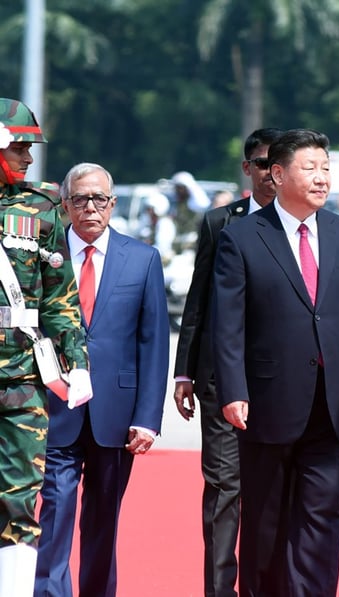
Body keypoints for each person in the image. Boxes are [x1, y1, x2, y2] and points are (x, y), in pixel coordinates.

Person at [212, 128, 339, 596]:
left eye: (326, 168)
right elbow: (227, 325)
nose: (321, 177)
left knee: (323, 516)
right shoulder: (243, 238)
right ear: (277, 173)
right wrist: (233, 389)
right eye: (309, 168)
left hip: (334, 404)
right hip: (267, 403)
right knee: (266, 521)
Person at [35, 163, 169, 597]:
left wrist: (148, 417)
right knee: (54, 511)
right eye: (80, 199)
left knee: (103, 519)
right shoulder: (42, 256)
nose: (90, 207)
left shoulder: (142, 258)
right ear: (65, 204)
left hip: (116, 411)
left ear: (112, 204)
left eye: (99, 199)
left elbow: (153, 344)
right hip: (54, 408)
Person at [172, 127, 284, 597]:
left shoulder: (304, 222)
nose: (269, 176)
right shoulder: (222, 222)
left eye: (277, 166)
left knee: (274, 494)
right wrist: (185, 370)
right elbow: (199, 299)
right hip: (221, 380)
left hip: (280, 382)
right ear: (248, 169)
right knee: (223, 491)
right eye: (261, 165)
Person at [0, 98, 91, 597]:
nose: (28, 157)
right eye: (18, 146)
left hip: (21, 380)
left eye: (30, 146)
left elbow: (60, 298)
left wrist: (76, 360)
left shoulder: (42, 208)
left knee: (20, 501)